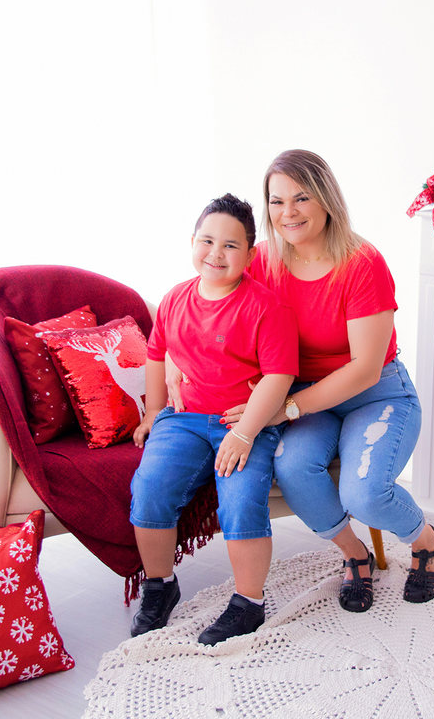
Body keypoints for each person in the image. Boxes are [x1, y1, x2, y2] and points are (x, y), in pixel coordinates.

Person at [214, 149, 434, 612]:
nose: (288, 213)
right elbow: (206, 298)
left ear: (325, 199)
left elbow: (365, 368)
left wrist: (285, 409)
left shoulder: (362, 262)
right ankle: (353, 556)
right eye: (276, 202)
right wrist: (172, 359)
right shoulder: (263, 260)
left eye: (300, 198)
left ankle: (426, 542)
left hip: (376, 395)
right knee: (293, 469)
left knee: (365, 495)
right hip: (304, 396)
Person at [129, 194, 298, 644]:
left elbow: (279, 377)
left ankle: (249, 603)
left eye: (230, 246)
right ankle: (159, 586)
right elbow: (155, 352)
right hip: (183, 419)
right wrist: (152, 412)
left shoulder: (266, 307)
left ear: (249, 254)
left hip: (244, 420)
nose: (216, 253)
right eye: (207, 241)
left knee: (241, 499)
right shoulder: (174, 299)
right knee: (149, 486)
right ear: (192, 242)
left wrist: (245, 434)